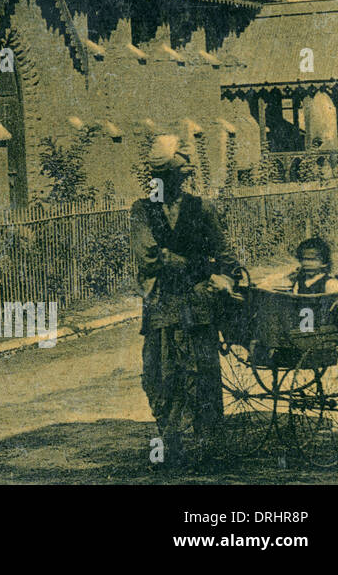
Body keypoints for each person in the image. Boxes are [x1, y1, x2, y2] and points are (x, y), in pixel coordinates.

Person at [132, 135, 239, 469]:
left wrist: (225, 273)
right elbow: (148, 257)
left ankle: (210, 447)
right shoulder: (142, 211)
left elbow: (222, 253)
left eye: (179, 176)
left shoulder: (201, 208)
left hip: (198, 304)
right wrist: (198, 265)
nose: (173, 183)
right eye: (165, 177)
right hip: (163, 305)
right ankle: (171, 445)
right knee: (161, 376)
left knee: (202, 376)